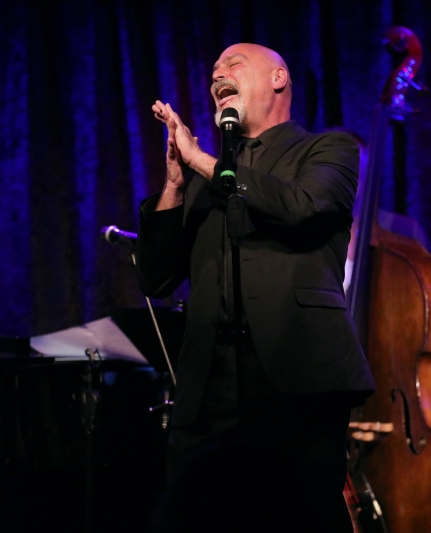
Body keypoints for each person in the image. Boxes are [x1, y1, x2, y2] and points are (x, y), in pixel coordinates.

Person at [136, 43, 375, 531]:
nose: (217, 74)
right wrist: (176, 182)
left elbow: (302, 205)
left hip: (297, 375)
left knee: (301, 516)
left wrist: (204, 162)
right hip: (208, 383)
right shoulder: (203, 174)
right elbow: (157, 276)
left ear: (279, 79)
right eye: (214, 71)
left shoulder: (327, 150)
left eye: (233, 65)